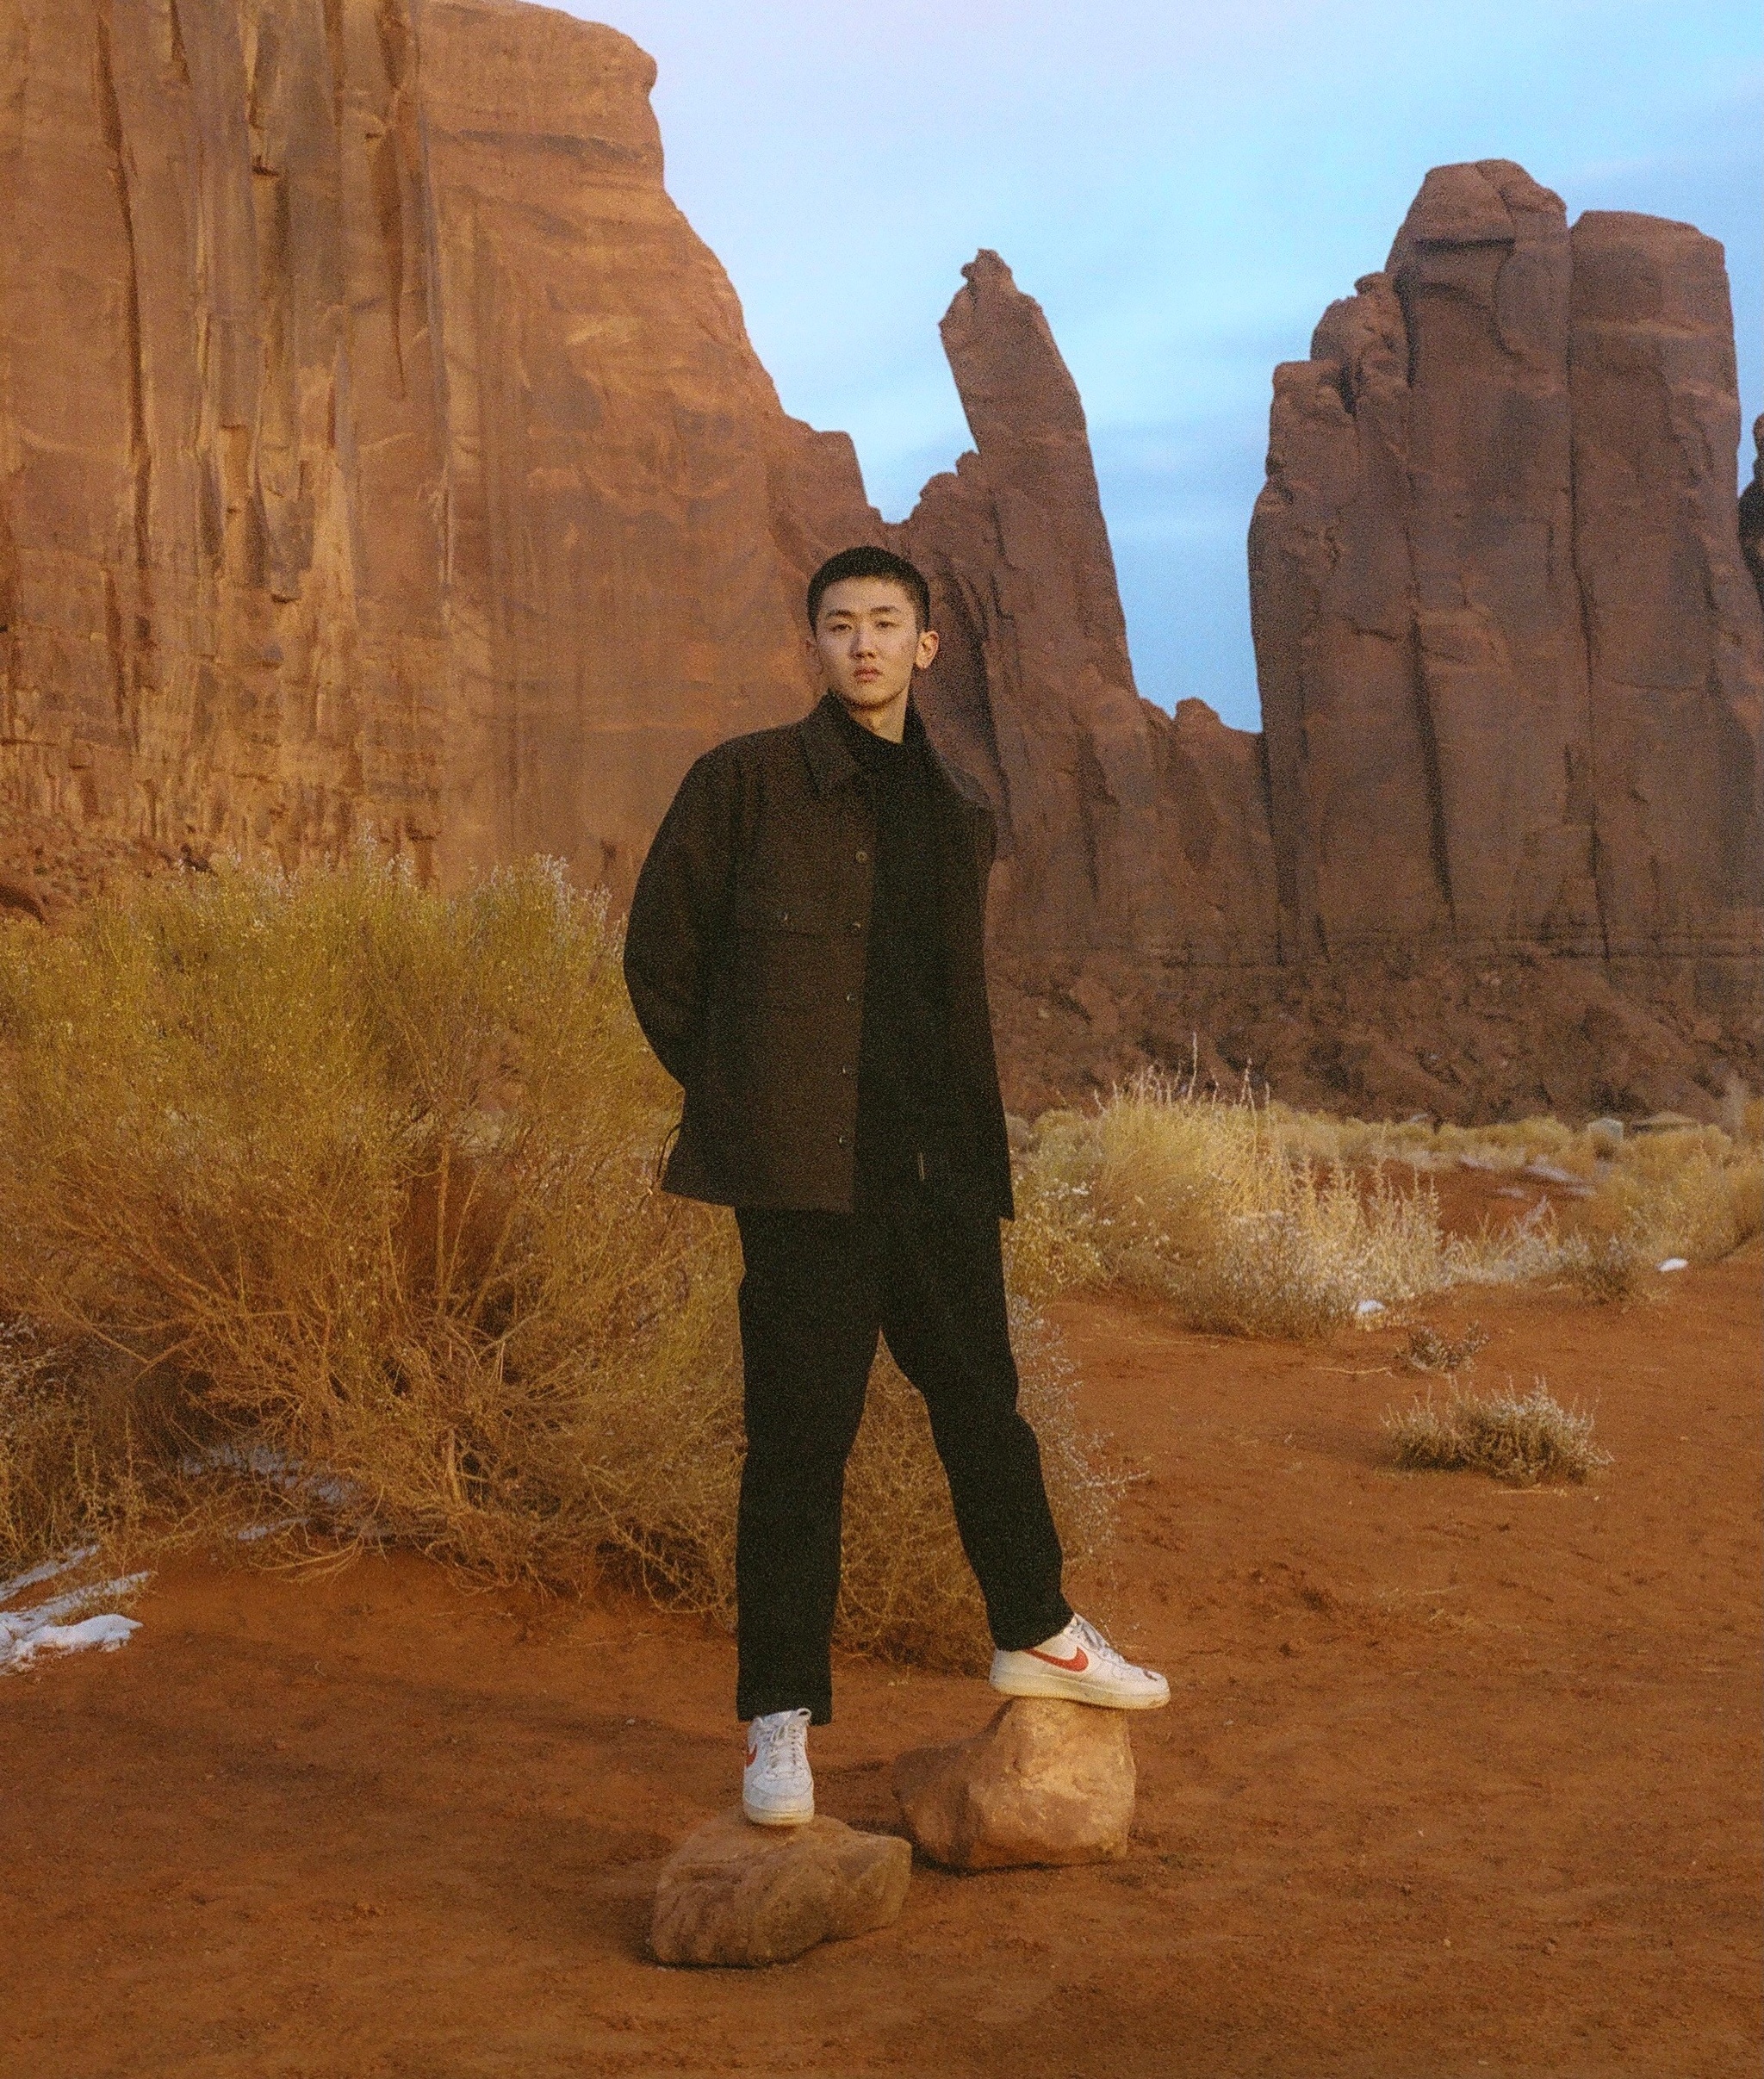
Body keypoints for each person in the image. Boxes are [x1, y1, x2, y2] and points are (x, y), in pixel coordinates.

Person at [624, 545, 1168, 1828]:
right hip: (807, 1183)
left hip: (937, 1179)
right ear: (812, 645)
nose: (862, 645)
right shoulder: (746, 784)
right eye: (839, 625)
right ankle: (778, 1723)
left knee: (988, 1408)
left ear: (926, 645)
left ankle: (1035, 1624)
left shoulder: (955, 809)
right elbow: (658, 956)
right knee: (799, 1448)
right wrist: (745, 1098)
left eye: (885, 624)